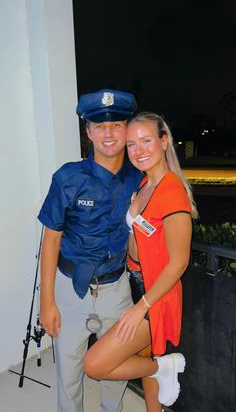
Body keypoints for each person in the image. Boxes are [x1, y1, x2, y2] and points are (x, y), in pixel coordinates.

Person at [83, 112, 199, 411]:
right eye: (131, 144)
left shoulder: (172, 193)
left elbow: (179, 262)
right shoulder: (146, 183)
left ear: (164, 141)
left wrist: (141, 307)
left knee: (95, 364)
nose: (138, 150)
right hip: (133, 283)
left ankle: (163, 367)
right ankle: (157, 384)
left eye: (146, 141)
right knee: (146, 355)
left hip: (154, 295)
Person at [38, 89, 143, 412]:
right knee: (69, 372)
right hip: (71, 289)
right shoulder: (68, 178)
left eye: (116, 124)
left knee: (114, 366)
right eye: (99, 125)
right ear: (88, 132)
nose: (108, 133)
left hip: (118, 287)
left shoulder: (139, 179)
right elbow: (51, 240)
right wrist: (48, 302)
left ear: (127, 127)